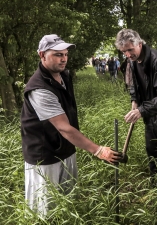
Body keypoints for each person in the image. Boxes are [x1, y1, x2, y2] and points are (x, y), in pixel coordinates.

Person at [21, 34, 122, 216]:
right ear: (42, 55)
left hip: (66, 149)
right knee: (45, 210)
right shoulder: (39, 88)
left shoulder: (64, 76)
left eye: (65, 54)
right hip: (44, 156)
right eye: (58, 54)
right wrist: (98, 150)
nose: (64, 59)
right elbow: (63, 127)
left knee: (68, 202)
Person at [115, 29, 157, 177]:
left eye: (130, 50)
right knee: (151, 149)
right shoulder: (133, 61)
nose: (127, 54)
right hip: (151, 111)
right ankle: (155, 184)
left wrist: (141, 110)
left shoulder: (156, 59)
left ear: (139, 44)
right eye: (124, 52)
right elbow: (135, 83)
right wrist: (134, 99)